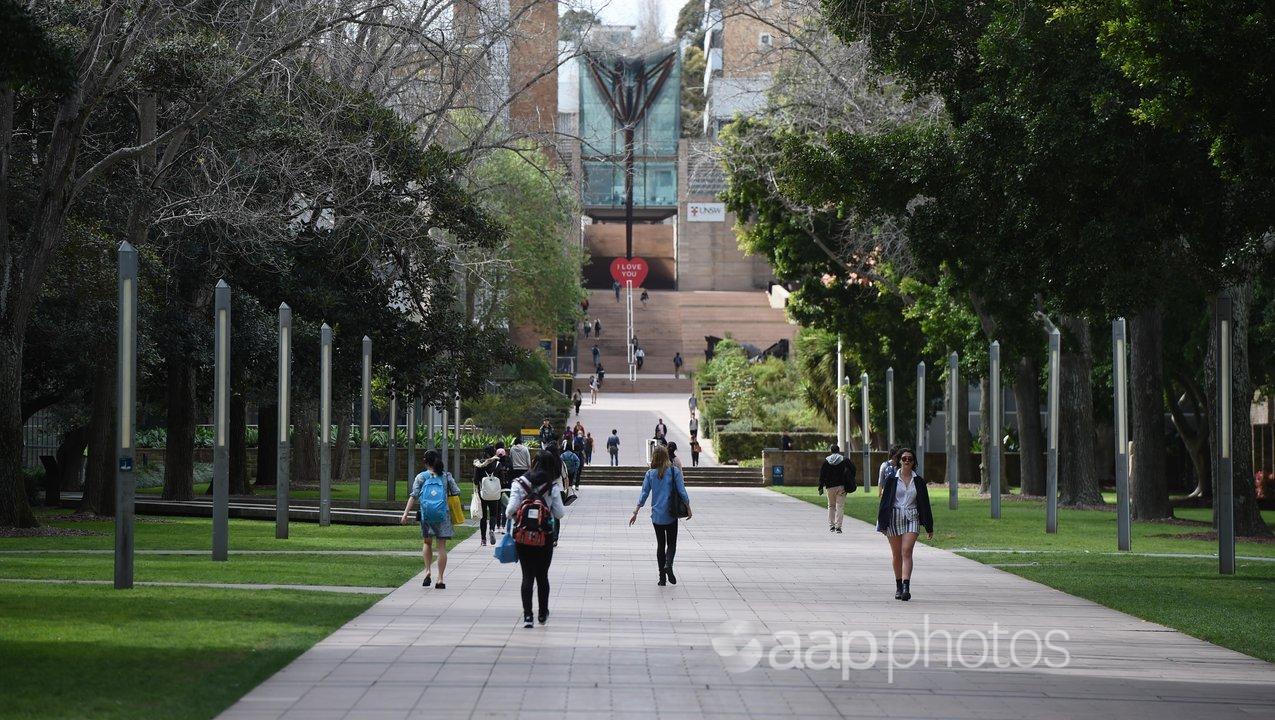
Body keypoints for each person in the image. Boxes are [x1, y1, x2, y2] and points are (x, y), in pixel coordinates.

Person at [508, 451, 567, 627]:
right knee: (542, 576)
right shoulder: (551, 486)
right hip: (544, 537)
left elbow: (509, 510)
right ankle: (542, 613)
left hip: (523, 537)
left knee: (527, 576)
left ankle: (527, 616)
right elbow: (560, 513)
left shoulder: (518, 484)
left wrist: (520, 516)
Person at [876, 448, 933, 601]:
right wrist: (882, 524)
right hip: (894, 517)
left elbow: (925, 504)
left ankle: (906, 587)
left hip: (911, 517)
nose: (907, 461)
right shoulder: (892, 480)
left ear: (914, 462)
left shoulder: (919, 481)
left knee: (906, 551)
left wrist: (929, 526)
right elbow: (884, 503)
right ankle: (899, 586)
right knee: (897, 554)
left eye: (910, 459)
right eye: (904, 459)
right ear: (899, 461)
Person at [630, 445, 692, 586]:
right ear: (666, 457)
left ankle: (662, 578)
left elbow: (644, 494)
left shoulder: (650, 474)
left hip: (657, 516)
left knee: (660, 544)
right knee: (671, 543)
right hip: (671, 514)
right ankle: (668, 565)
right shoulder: (673, 471)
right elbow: (682, 491)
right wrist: (688, 507)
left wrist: (636, 511)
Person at [399, 450, 461, 589]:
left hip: (426, 514)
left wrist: (405, 514)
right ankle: (440, 579)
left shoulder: (421, 477)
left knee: (427, 543)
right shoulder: (446, 476)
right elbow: (456, 491)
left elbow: (413, 496)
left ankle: (427, 571)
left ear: (425, 461)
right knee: (441, 547)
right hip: (442, 515)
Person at [818, 444, 857, 534]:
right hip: (841, 487)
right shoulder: (844, 460)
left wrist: (821, 486)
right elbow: (854, 469)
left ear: (831, 451)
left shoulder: (826, 461)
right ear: (839, 450)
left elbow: (822, 475)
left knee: (831, 506)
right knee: (840, 506)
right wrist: (849, 477)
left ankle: (831, 526)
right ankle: (838, 527)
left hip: (830, 487)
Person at [472, 445, 505, 546]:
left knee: (483, 516)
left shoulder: (479, 464)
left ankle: (483, 539)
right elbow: (502, 480)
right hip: (494, 494)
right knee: (493, 514)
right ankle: (491, 529)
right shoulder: (498, 464)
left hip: (483, 493)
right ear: (493, 452)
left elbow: (475, 480)